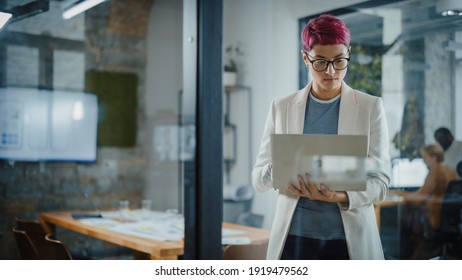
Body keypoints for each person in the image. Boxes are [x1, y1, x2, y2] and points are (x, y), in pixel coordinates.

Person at [251, 14, 391, 260]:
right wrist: (277, 169)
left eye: (339, 61)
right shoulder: (281, 107)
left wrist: (336, 196)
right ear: (305, 58)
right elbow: (258, 178)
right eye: (320, 62)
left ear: (348, 53)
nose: (331, 71)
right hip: (294, 238)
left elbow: (380, 183)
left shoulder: (370, 107)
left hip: (348, 240)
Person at [398, 144, 459, 259]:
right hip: (449, 220)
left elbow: (418, 199)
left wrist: (398, 192)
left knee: (406, 218)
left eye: (425, 157)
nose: (423, 161)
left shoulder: (435, 172)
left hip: (433, 219)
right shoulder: (450, 170)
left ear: (434, 157)